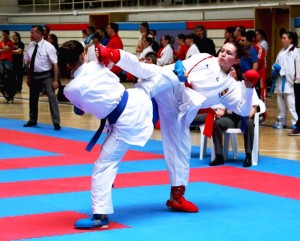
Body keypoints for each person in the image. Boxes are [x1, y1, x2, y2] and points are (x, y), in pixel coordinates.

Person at [96, 41, 259, 213]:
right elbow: (180, 66)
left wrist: (248, 89)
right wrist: (182, 73)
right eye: (223, 50)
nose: (223, 54)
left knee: (181, 149)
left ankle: (177, 196)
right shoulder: (205, 59)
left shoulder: (231, 87)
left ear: (236, 60)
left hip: (180, 112)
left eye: (229, 53)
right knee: (149, 72)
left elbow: (244, 110)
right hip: (171, 86)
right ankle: (111, 54)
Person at [58, 40, 183, 229]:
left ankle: (100, 216)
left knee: (104, 166)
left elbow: (82, 108)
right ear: (83, 55)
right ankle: (176, 72)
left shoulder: (70, 90)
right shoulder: (95, 65)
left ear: (67, 64)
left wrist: (79, 107)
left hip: (125, 122)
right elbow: (110, 70)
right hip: (134, 100)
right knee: (148, 81)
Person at [210, 85, 260, 167]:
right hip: (230, 118)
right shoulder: (226, 86)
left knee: (249, 123)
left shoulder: (249, 86)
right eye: (231, 71)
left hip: (243, 117)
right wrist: (219, 113)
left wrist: (249, 115)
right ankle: (218, 155)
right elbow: (222, 108)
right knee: (217, 123)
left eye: (234, 71)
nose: (232, 72)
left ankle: (248, 156)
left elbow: (254, 107)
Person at [23, 25, 61, 130]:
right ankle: (32, 119)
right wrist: (28, 77)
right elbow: (28, 62)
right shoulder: (30, 45)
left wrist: (55, 80)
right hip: (34, 75)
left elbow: (55, 64)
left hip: (46, 76)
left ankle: (56, 122)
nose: (30, 35)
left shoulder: (49, 46)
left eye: (32, 33)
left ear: (39, 33)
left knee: (52, 96)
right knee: (33, 98)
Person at [272, 31, 298, 129]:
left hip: (289, 82)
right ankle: (280, 121)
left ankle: (295, 122)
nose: (282, 40)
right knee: (280, 104)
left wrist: (281, 71)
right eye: (282, 38)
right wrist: (274, 69)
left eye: (284, 38)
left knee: (291, 104)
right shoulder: (282, 51)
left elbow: (291, 69)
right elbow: (276, 63)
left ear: (290, 40)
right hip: (279, 81)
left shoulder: (294, 51)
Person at [0, 29, 15, 102]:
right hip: (1, 60)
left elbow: (6, 49)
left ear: (7, 34)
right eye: (2, 34)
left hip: (8, 61)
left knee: (9, 77)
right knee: (1, 77)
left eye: (4, 34)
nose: (3, 36)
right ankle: (5, 92)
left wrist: (2, 44)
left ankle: (10, 94)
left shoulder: (10, 42)